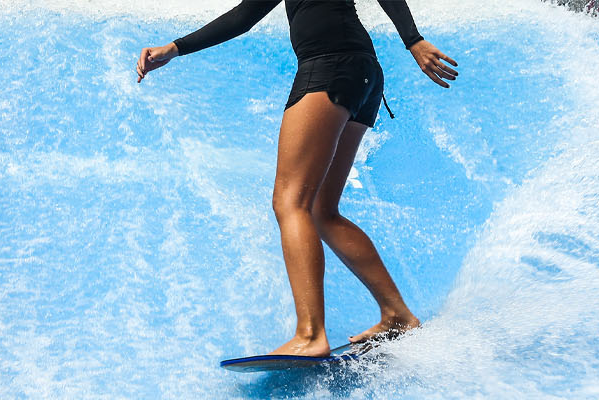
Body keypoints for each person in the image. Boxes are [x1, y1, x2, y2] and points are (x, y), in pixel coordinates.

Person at [135, 0, 460, 357]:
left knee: (290, 202)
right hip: (361, 73)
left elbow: (244, 16)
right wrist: (176, 48)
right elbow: (246, 15)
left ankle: (310, 334)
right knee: (322, 209)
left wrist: (413, 38)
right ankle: (396, 314)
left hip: (328, 67)